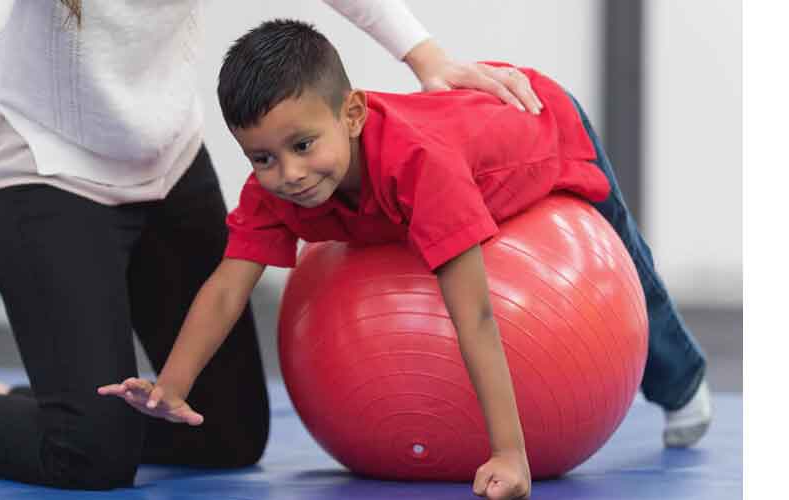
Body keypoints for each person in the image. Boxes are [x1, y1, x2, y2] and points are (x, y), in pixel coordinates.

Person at [0, 0, 546, 492]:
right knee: (90, 458)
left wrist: (426, 55)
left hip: (165, 161)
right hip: (42, 167)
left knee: (224, 434)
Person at [97, 19, 712, 500]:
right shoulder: (277, 191)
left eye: (304, 145)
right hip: (464, 135)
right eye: (262, 157)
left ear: (353, 115)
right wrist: (169, 387)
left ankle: (682, 380)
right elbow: (228, 287)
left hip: (541, 122)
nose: (288, 174)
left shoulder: (421, 169)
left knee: (628, 256)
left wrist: (509, 453)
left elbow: (473, 315)